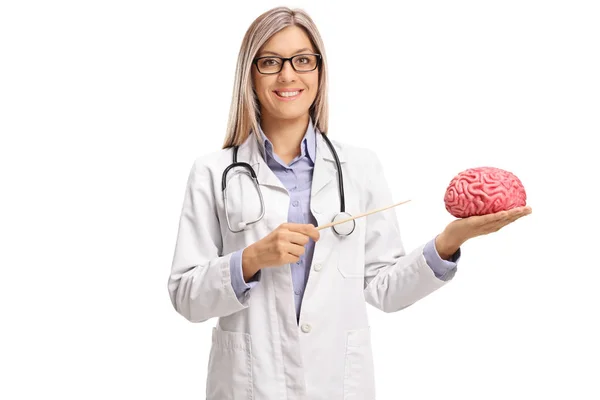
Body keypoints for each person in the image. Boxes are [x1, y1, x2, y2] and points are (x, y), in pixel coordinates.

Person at [167, 6, 532, 400]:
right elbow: (186, 295)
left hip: (337, 384)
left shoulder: (359, 167)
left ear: (319, 72)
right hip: (250, 385)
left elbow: (384, 288)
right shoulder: (212, 172)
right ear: (250, 75)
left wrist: (449, 240)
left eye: (303, 60)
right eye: (270, 62)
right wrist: (250, 259)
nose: (288, 75)